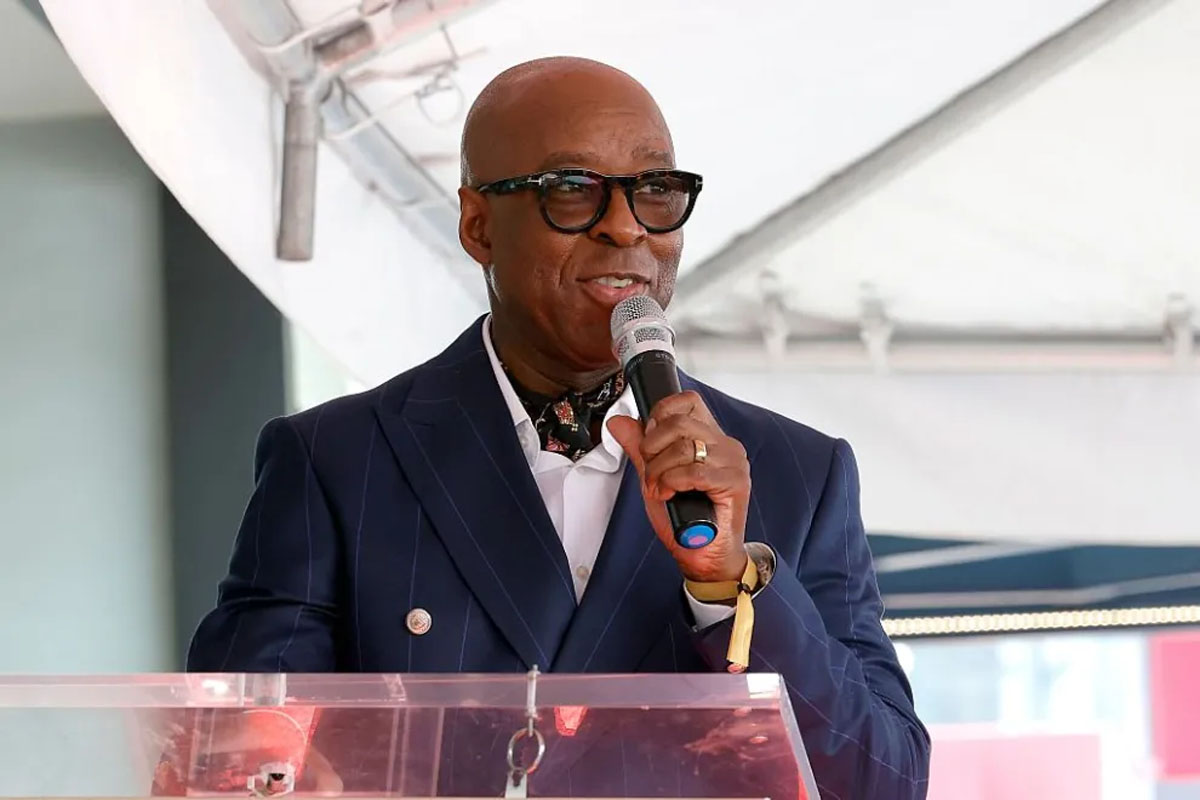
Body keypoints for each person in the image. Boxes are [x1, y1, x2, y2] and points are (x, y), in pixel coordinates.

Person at [188, 56, 930, 799]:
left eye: (655, 189)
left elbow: (884, 780)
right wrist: (263, 762)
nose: (626, 225)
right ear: (478, 225)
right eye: (572, 190)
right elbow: (235, 757)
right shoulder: (338, 461)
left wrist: (728, 579)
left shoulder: (796, 473)